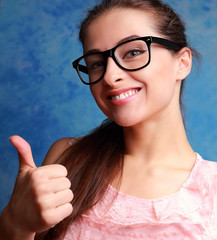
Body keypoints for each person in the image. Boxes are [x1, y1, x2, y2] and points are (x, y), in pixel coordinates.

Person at [1, 0, 217, 239]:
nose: (110, 76)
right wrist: (16, 225)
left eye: (133, 53)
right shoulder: (67, 159)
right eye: (96, 64)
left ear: (182, 62)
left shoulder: (212, 190)